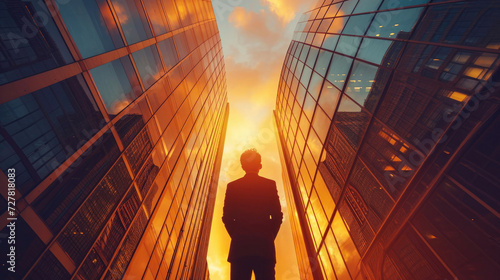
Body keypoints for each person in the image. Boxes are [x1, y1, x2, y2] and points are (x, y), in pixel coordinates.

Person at [222, 148, 283, 280]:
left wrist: (238, 234)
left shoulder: (232, 187)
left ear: (243, 166)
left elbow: (227, 218)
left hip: (240, 249)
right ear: (260, 165)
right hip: (264, 249)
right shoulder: (270, 185)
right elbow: (277, 217)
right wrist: (268, 235)